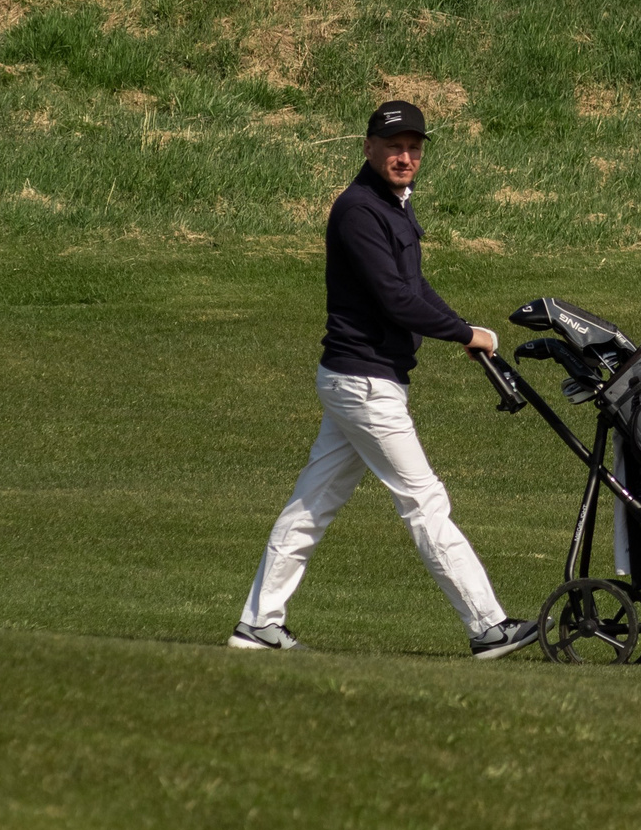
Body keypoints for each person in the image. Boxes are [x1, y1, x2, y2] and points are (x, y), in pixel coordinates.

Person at [230, 101, 539, 658]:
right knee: (424, 502)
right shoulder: (359, 211)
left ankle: (257, 624)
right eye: (394, 146)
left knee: (311, 505)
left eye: (414, 147)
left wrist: (463, 331)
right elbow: (396, 301)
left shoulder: (392, 208)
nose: (404, 156)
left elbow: (416, 289)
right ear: (368, 147)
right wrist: (464, 333)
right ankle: (487, 626)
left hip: (358, 380)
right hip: (365, 384)